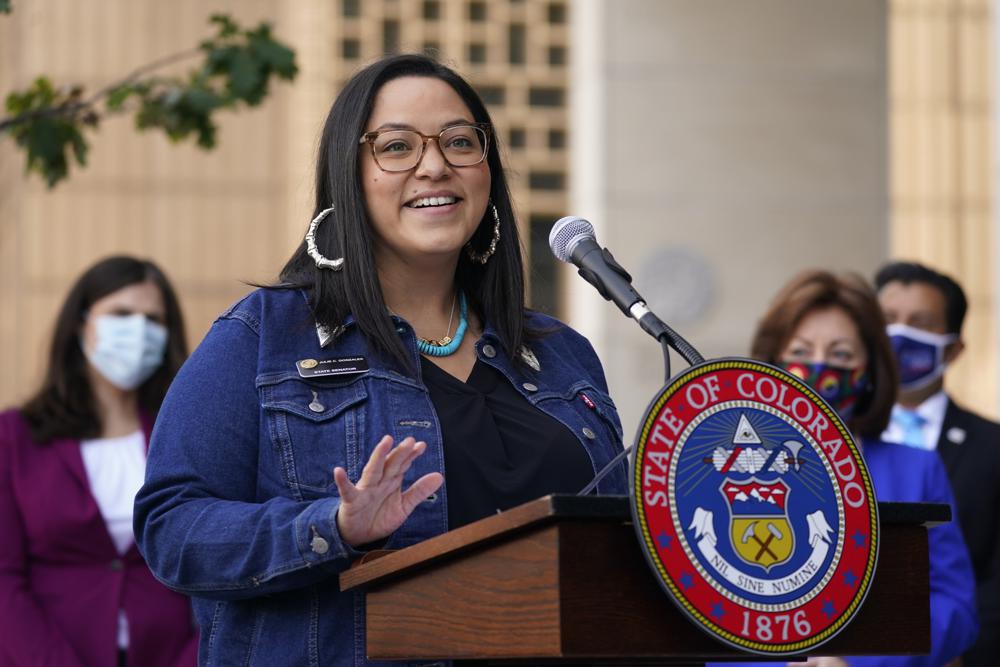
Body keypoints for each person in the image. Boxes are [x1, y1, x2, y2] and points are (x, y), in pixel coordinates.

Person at [133, 54, 628, 667]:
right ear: (350, 175)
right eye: (397, 147)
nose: (435, 166)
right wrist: (331, 528)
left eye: (459, 142)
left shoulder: (560, 354)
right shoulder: (264, 335)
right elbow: (172, 528)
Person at [709, 270, 977, 667]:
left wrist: (856, 661)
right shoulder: (723, 469)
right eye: (801, 353)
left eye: (841, 355)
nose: (820, 368)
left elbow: (954, 608)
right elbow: (701, 605)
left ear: (870, 371)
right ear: (773, 365)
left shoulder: (917, 469)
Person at [0, 256, 197, 667]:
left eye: (153, 320)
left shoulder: (188, 431)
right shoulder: (15, 437)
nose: (139, 331)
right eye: (122, 314)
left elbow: (214, 565)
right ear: (80, 324)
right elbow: (4, 578)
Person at [875, 261, 1000, 667]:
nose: (899, 334)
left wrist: (958, 652)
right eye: (888, 320)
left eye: (920, 322)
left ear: (953, 347)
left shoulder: (992, 446)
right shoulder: (840, 444)